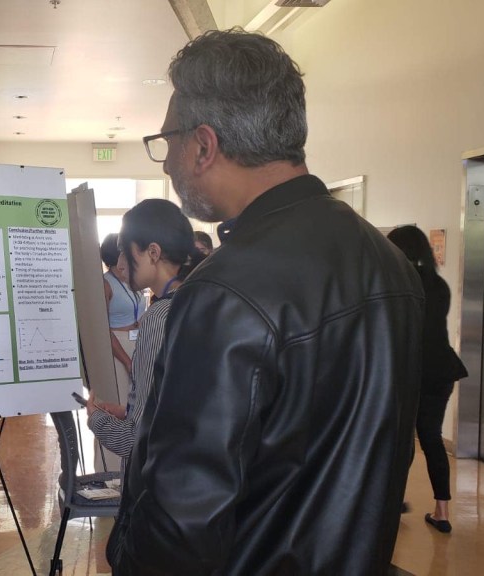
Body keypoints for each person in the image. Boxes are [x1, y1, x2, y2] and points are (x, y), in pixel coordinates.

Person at [108, 29, 424, 575]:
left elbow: (181, 520)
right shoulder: (388, 261)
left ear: (203, 145)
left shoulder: (224, 291)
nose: (165, 164)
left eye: (167, 142)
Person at [88, 200, 203, 469]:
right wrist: (129, 411)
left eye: (124, 252)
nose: (120, 264)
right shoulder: (198, 300)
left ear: (153, 252)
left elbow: (135, 440)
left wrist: (96, 419)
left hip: (158, 474)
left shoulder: (159, 316)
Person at [387, 225, 467, 534]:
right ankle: (442, 512)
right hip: (442, 370)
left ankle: (392, 502)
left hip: (412, 370)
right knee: (432, 438)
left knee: (402, 439)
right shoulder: (439, 284)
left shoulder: (400, 285)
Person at [101, 233, 144, 407]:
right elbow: (103, 329)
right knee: (122, 400)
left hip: (138, 341)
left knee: (139, 398)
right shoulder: (105, 283)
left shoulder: (133, 279)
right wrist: (127, 361)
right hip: (117, 346)